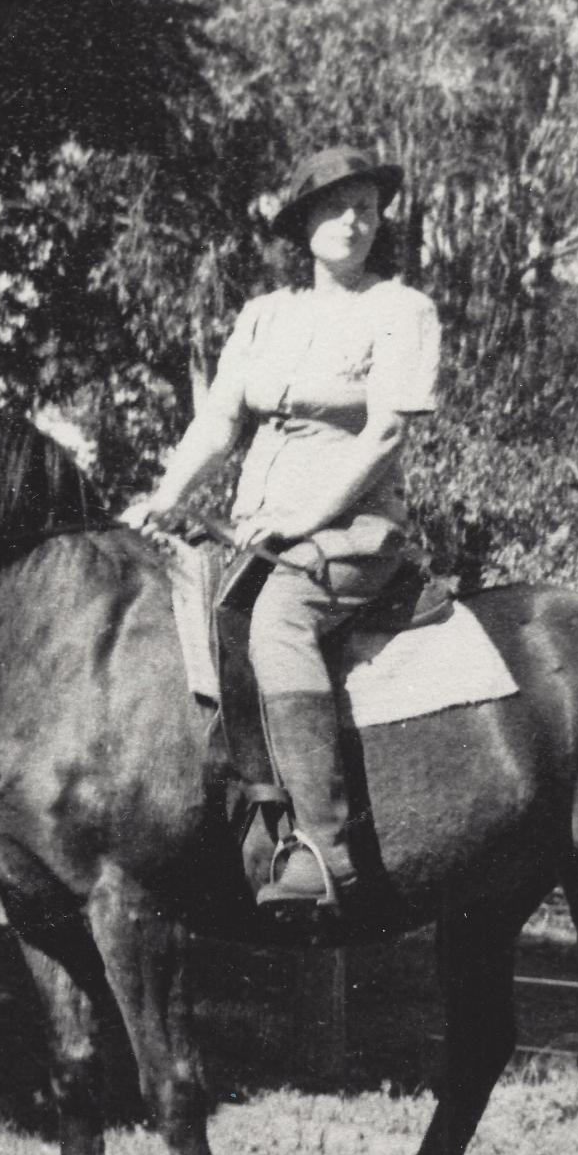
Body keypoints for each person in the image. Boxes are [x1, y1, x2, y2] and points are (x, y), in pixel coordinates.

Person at [124, 146, 441, 913]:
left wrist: (306, 517)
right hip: (255, 533)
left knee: (277, 621)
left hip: (353, 533)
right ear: (303, 227)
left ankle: (324, 852)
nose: (353, 219)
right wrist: (163, 494)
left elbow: (386, 437)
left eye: (366, 205)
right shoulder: (265, 317)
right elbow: (218, 421)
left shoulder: (400, 309)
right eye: (334, 206)